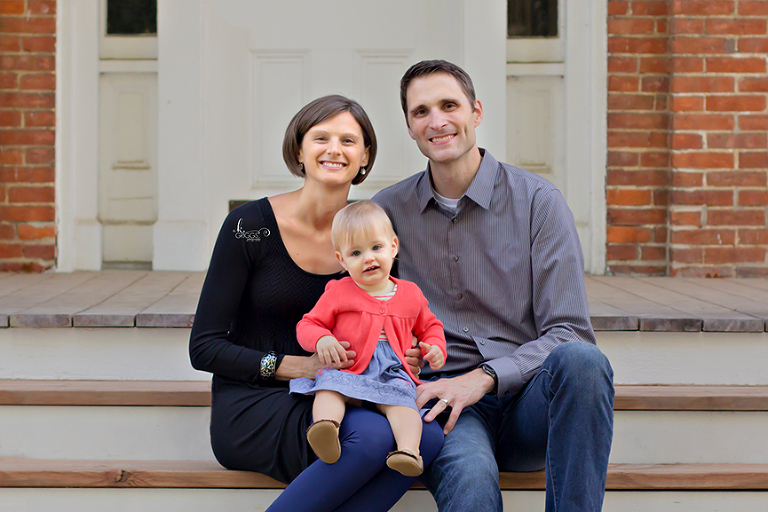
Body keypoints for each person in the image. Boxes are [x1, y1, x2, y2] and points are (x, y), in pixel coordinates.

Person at [372, 60, 615, 512]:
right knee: (471, 481)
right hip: (443, 403)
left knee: (584, 362)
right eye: (421, 111)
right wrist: (393, 346)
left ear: (476, 112)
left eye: (449, 105)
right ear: (408, 127)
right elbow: (364, 308)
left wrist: (484, 378)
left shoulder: (538, 203)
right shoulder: (387, 211)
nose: (437, 121)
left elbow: (569, 333)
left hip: (528, 403)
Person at [189, 94, 443, 512]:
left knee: (428, 439)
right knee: (375, 438)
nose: (334, 149)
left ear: (364, 158)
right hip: (258, 398)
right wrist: (296, 366)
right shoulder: (249, 227)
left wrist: (403, 352)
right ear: (299, 151)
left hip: (345, 388)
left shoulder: (372, 235)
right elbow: (204, 347)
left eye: (348, 140)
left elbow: (393, 311)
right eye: (320, 137)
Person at [290, 200, 447, 477]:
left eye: (376, 247)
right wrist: (322, 340)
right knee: (329, 387)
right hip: (349, 366)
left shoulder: (410, 293)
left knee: (403, 403)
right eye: (356, 253)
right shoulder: (339, 291)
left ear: (393, 246)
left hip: (391, 370)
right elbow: (308, 324)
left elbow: (430, 326)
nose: (369, 258)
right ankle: (326, 428)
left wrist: (434, 348)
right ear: (342, 260)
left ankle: (408, 451)